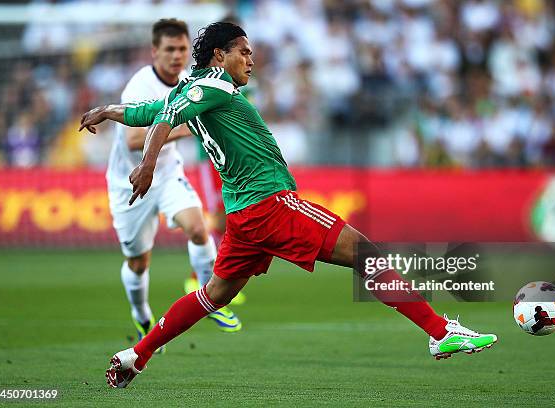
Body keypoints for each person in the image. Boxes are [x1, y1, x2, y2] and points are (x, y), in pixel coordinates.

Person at [80, 22, 498, 389]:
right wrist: (148, 163)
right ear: (218, 55)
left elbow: (145, 112)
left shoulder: (197, 91)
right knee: (367, 255)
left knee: (216, 294)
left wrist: (106, 110)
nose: (251, 60)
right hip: (271, 204)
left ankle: (137, 355)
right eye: (244, 51)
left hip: (246, 216)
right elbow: (164, 117)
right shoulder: (210, 86)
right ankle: (441, 331)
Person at [105, 19, 242, 341]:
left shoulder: (187, 81)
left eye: (182, 49)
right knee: (138, 263)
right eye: (170, 49)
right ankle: (141, 315)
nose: (177, 56)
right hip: (129, 184)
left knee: (198, 228)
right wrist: (182, 127)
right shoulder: (139, 87)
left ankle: (213, 300)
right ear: (155, 51)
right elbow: (133, 141)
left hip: (167, 175)